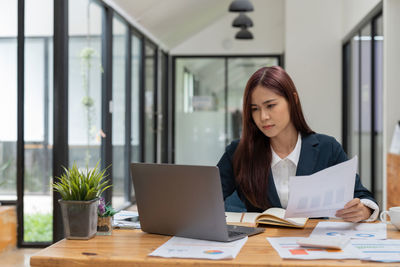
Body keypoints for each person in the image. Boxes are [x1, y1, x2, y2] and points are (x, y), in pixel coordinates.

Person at [217, 66, 379, 222]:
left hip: (312, 244)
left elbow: (363, 197)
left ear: (292, 100)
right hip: (260, 246)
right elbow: (207, 198)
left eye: (270, 106)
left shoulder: (327, 149)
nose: (263, 116)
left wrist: (362, 210)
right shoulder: (239, 152)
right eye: (255, 109)